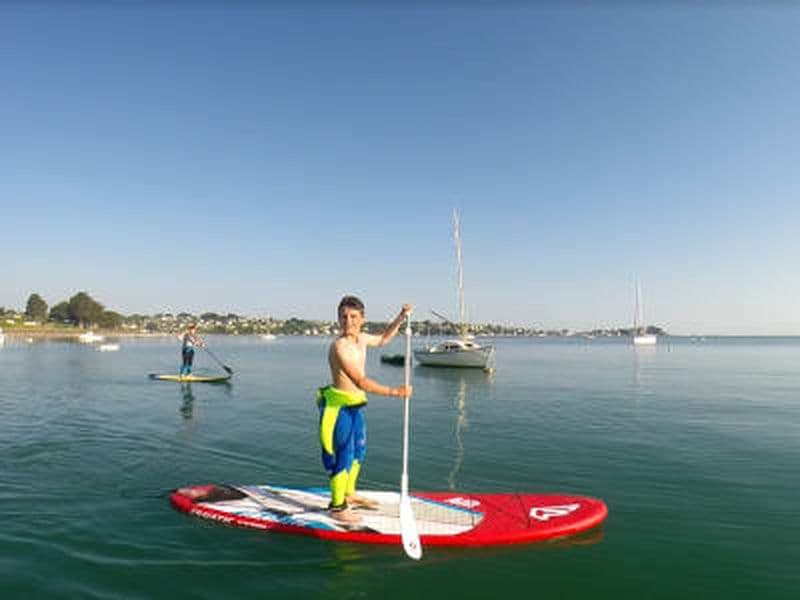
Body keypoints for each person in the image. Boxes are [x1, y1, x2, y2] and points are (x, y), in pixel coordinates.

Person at [318, 296, 413, 524]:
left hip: (355, 405)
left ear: (362, 319)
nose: (347, 321)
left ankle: (349, 492)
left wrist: (400, 317)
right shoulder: (340, 346)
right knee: (344, 455)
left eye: (353, 317)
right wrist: (395, 392)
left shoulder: (361, 339)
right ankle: (337, 506)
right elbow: (360, 381)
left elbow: (383, 339)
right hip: (338, 408)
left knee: (358, 452)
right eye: (343, 316)